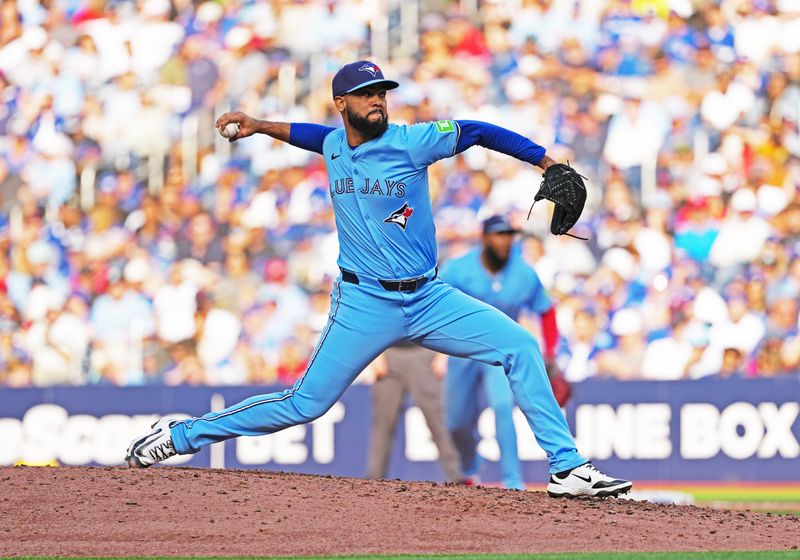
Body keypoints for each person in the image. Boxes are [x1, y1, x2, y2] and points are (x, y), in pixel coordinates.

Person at [126, 60, 632, 498]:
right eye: (366, 94)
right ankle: (183, 435)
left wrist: (544, 159)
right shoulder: (332, 145)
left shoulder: (411, 142)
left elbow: (478, 131)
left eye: (382, 93)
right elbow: (308, 135)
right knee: (305, 404)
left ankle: (567, 468)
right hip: (364, 303)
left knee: (519, 347)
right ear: (341, 103)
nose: (377, 101)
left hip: (429, 298)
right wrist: (259, 124)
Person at [438, 215, 562, 490]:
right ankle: (469, 468)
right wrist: (438, 347)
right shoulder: (459, 268)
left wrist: (551, 352)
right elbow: (433, 300)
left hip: (501, 351)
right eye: (498, 234)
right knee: (456, 421)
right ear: (484, 238)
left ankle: (513, 480)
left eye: (509, 235)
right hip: (463, 350)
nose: (505, 240)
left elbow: (546, 309)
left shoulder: (524, 272)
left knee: (503, 406)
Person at [367, 343, 462, 483]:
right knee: (383, 423)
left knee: (438, 421)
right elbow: (370, 321)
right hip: (388, 352)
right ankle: (373, 480)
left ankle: (457, 478)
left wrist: (443, 355)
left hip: (424, 351)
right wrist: (373, 355)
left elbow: (445, 321)